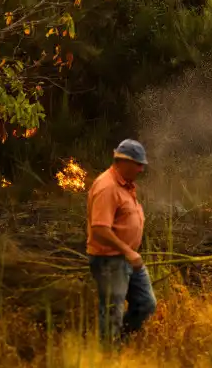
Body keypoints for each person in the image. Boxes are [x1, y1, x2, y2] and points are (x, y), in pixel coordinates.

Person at [86, 139, 157, 344]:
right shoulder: (106, 187)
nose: (141, 169)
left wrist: (130, 252)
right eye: (138, 164)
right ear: (123, 161)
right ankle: (108, 354)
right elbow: (99, 228)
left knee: (146, 304)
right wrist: (127, 251)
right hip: (109, 261)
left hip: (128, 259)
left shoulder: (125, 185)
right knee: (111, 313)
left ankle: (118, 342)